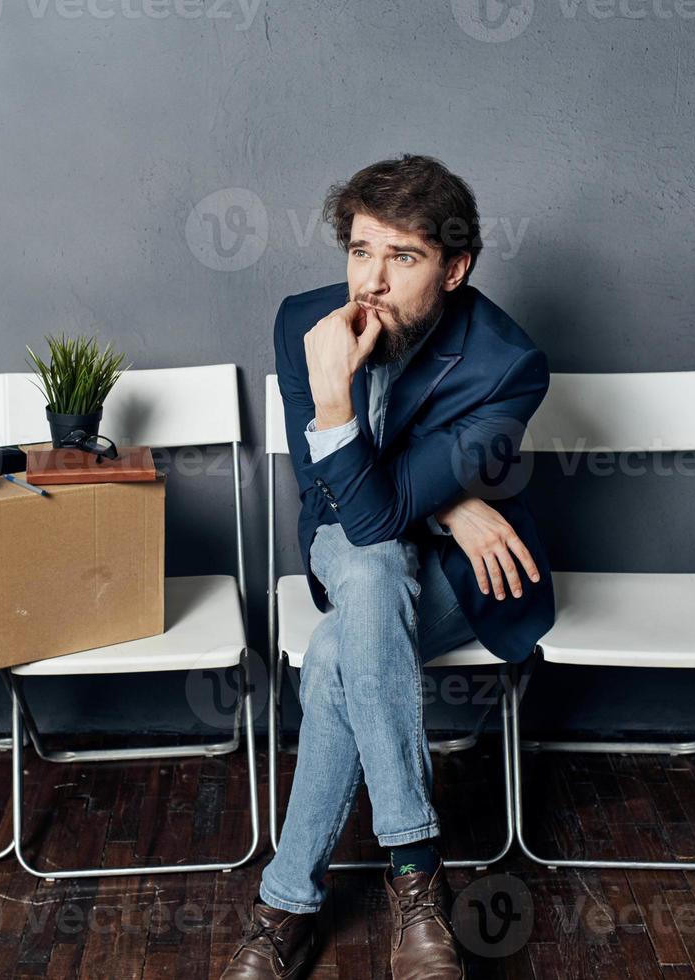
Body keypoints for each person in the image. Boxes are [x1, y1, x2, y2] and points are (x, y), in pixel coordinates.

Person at [220, 155, 555, 980]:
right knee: (368, 568)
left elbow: (371, 507)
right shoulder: (305, 320)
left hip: (459, 573)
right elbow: (338, 502)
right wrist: (443, 493)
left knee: (340, 647)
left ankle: (283, 908)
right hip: (344, 537)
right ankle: (417, 876)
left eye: (403, 258)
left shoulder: (506, 363)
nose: (371, 280)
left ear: (454, 267)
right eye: (361, 250)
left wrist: (402, 482)